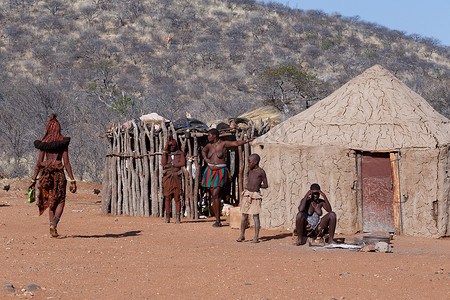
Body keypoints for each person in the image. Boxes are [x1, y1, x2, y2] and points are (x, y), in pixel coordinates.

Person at [28, 114, 77, 238]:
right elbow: (66, 163)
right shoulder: (62, 143)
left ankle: (51, 226)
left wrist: (33, 179)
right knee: (60, 201)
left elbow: (39, 163)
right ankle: (54, 223)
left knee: (51, 201)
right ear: (58, 129)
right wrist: (72, 180)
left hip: (46, 176)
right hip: (58, 176)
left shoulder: (43, 144)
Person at [201, 128, 255, 227]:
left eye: (209, 135)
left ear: (215, 135)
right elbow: (203, 151)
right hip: (209, 171)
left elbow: (235, 143)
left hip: (220, 172)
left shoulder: (223, 144)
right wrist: (206, 159)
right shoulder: (209, 146)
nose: (208, 137)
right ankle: (217, 220)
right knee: (213, 195)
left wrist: (247, 140)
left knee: (216, 193)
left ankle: (218, 220)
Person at [236, 154, 268, 243]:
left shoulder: (261, 172)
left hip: (255, 195)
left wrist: (258, 186)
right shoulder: (250, 170)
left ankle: (256, 237)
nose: (248, 164)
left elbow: (266, 185)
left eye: (249, 162)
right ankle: (242, 235)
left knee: (255, 216)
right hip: (247, 194)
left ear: (255, 162)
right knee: (244, 215)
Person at [161, 133, 186, 223]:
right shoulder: (166, 154)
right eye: (170, 145)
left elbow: (182, 163)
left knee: (177, 197)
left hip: (176, 177)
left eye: (173, 145)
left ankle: (178, 218)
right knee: (167, 197)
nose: (171, 146)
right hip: (167, 178)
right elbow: (163, 164)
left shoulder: (180, 153)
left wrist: (173, 164)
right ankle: (167, 217)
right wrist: (165, 150)